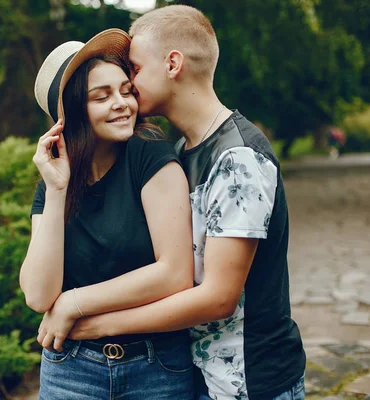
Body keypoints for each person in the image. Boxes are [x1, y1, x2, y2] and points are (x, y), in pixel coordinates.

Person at [68, 6, 307, 400]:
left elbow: (218, 297)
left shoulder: (238, 157)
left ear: (173, 64)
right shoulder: (182, 150)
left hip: (251, 383)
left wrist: (98, 324)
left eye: (136, 69)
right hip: (199, 376)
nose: (129, 82)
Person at [20, 29, 196, 399]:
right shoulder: (55, 182)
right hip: (71, 369)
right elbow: (38, 296)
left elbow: (176, 273)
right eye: (102, 96)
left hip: (156, 367)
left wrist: (74, 302)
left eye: (125, 90)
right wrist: (56, 190)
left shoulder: (149, 154)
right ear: (71, 115)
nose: (122, 103)